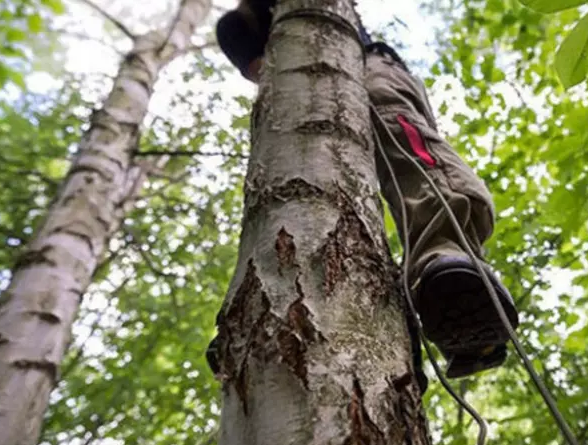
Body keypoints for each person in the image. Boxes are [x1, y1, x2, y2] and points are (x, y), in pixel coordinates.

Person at [212, 2, 520, 383]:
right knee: (307, 190)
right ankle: (403, 322)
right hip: (305, 97)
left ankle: (450, 264)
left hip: (369, 67)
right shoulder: (237, 26)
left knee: (404, 144)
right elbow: (255, 61)